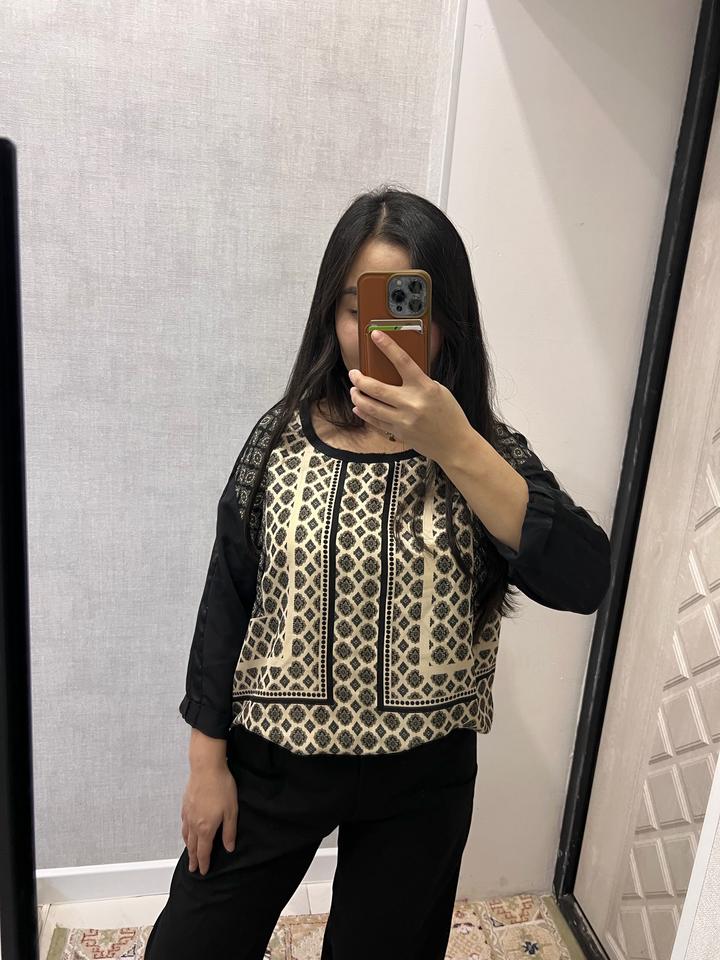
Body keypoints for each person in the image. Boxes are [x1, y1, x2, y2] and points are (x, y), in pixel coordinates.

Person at [143, 185, 612, 959]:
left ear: (445, 317)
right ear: (331, 313)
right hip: (275, 758)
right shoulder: (279, 440)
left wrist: (455, 445)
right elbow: (226, 596)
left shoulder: (485, 453)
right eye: (358, 307)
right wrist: (205, 762)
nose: (378, 334)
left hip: (421, 780)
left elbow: (584, 579)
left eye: (404, 307)